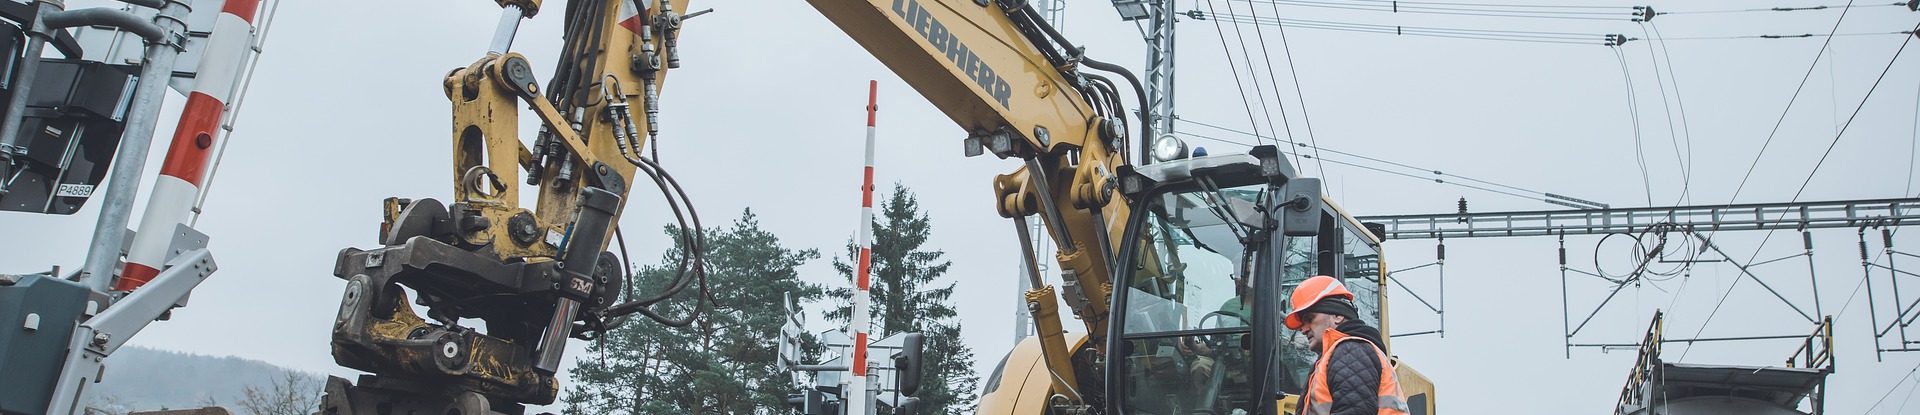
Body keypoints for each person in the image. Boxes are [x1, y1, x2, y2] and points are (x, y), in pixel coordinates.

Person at [1283, 275, 1410, 415]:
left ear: (1338, 316)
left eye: (1310, 319)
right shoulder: (1340, 355)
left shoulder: (1351, 351)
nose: (1303, 329)